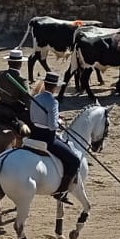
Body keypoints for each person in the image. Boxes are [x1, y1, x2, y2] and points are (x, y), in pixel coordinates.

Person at [27, 72, 79, 200]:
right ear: (55, 87)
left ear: (45, 84)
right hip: (47, 139)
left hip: (34, 135)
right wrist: (59, 121)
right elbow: (52, 126)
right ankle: (61, 191)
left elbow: (33, 118)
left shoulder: (36, 98)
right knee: (75, 160)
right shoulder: (53, 102)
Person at [0, 50, 30, 130]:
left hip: (1, 107)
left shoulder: (0, 74)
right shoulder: (22, 80)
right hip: (16, 111)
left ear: (8, 63)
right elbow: (27, 100)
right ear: (20, 64)